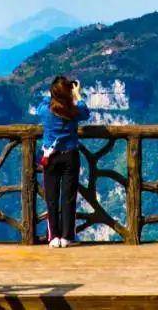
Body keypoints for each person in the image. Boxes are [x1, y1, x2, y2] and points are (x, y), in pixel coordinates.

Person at [37, 75, 91, 247]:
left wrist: (52, 94)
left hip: (50, 157)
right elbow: (86, 111)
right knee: (68, 197)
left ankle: (53, 237)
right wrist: (77, 94)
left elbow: (41, 106)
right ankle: (67, 237)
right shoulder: (73, 111)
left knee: (51, 198)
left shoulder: (45, 111)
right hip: (70, 156)